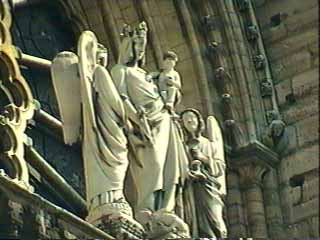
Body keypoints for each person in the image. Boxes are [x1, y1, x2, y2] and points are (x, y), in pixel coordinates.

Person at [111, 22, 188, 217]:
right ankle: (146, 209)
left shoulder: (148, 75)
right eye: (136, 44)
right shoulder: (120, 70)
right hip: (142, 125)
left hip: (163, 119)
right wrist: (136, 118)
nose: (140, 49)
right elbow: (121, 98)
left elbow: (165, 91)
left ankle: (165, 208)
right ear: (128, 46)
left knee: (170, 170)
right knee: (152, 165)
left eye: (142, 45)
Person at [181, 108, 227, 238]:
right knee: (194, 218)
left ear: (199, 121)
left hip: (209, 186)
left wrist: (202, 158)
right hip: (191, 187)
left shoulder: (209, 144)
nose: (189, 121)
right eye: (185, 119)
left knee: (214, 218)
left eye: (192, 118)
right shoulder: (182, 146)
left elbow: (219, 167)